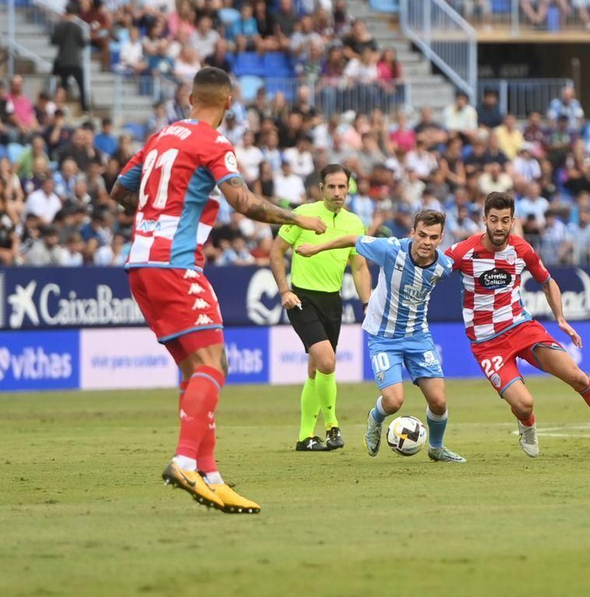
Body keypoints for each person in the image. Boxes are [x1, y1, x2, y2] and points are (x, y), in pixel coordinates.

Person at [111, 65, 323, 513]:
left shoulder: (159, 138)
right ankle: (185, 461)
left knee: (200, 369)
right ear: (228, 101)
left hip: (140, 265)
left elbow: (119, 190)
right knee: (214, 362)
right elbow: (243, 202)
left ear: (191, 98)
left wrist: (157, 213)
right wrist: (298, 218)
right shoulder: (214, 142)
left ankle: (210, 474)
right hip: (175, 264)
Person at [446, 191, 590, 458]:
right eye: (493, 220)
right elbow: (431, 271)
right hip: (487, 344)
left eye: (505, 220)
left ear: (513, 221)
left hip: (522, 328)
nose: (499, 226)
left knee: (579, 377)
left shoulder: (522, 249)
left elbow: (547, 282)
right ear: (484, 219)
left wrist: (560, 319)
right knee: (524, 404)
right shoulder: (464, 251)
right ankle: (527, 422)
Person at [294, 209, 465, 463]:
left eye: (433, 237)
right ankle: (375, 418)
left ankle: (437, 449)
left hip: (418, 336)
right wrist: (316, 249)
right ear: (412, 233)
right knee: (394, 401)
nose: (426, 242)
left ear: (441, 239)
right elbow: (352, 239)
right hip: (384, 338)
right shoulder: (390, 249)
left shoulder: (443, 266)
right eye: (422, 235)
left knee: (439, 401)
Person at [269, 163, 370, 452]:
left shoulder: (354, 222)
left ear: (348, 188)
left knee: (316, 371)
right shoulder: (303, 214)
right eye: (332, 187)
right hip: (302, 298)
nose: (338, 192)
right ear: (321, 189)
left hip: (333, 301)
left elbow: (359, 266)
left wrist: (366, 302)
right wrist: (284, 290)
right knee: (327, 361)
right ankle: (332, 425)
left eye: (342, 187)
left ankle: (305, 437)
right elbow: (276, 253)